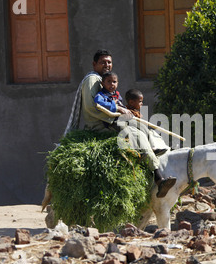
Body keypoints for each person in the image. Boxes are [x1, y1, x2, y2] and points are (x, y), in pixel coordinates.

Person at [68, 49, 175, 198]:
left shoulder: (104, 81)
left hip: (112, 120)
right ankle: (158, 177)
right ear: (94, 64)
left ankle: (152, 150)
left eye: (109, 62)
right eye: (103, 62)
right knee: (134, 133)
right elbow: (92, 107)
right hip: (100, 125)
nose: (107, 64)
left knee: (140, 124)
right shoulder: (93, 80)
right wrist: (117, 114)